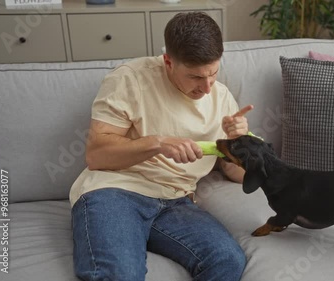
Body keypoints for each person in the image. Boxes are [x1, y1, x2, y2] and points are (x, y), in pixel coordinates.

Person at [70, 12, 251, 281]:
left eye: (213, 73)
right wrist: (157, 143)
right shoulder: (129, 79)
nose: (207, 88)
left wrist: (240, 145)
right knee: (119, 274)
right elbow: (96, 155)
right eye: (195, 77)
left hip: (176, 202)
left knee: (227, 260)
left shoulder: (222, 97)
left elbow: (239, 175)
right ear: (168, 61)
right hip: (115, 192)